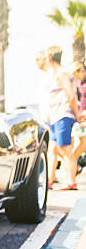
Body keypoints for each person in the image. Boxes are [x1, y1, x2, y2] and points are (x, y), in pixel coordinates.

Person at [43, 46, 81, 190]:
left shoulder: (61, 73)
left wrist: (77, 114)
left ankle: (72, 180)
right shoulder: (56, 74)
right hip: (55, 117)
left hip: (63, 115)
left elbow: (71, 95)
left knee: (64, 147)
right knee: (52, 149)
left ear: (50, 58)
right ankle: (50, 180)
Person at [71, 60, 86, 162]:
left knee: (83, 142)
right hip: (78, 116)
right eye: (82, 70)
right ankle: (71, 163)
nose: (84, 72)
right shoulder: (75, 83)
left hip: (81, 115)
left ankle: (72, 162)